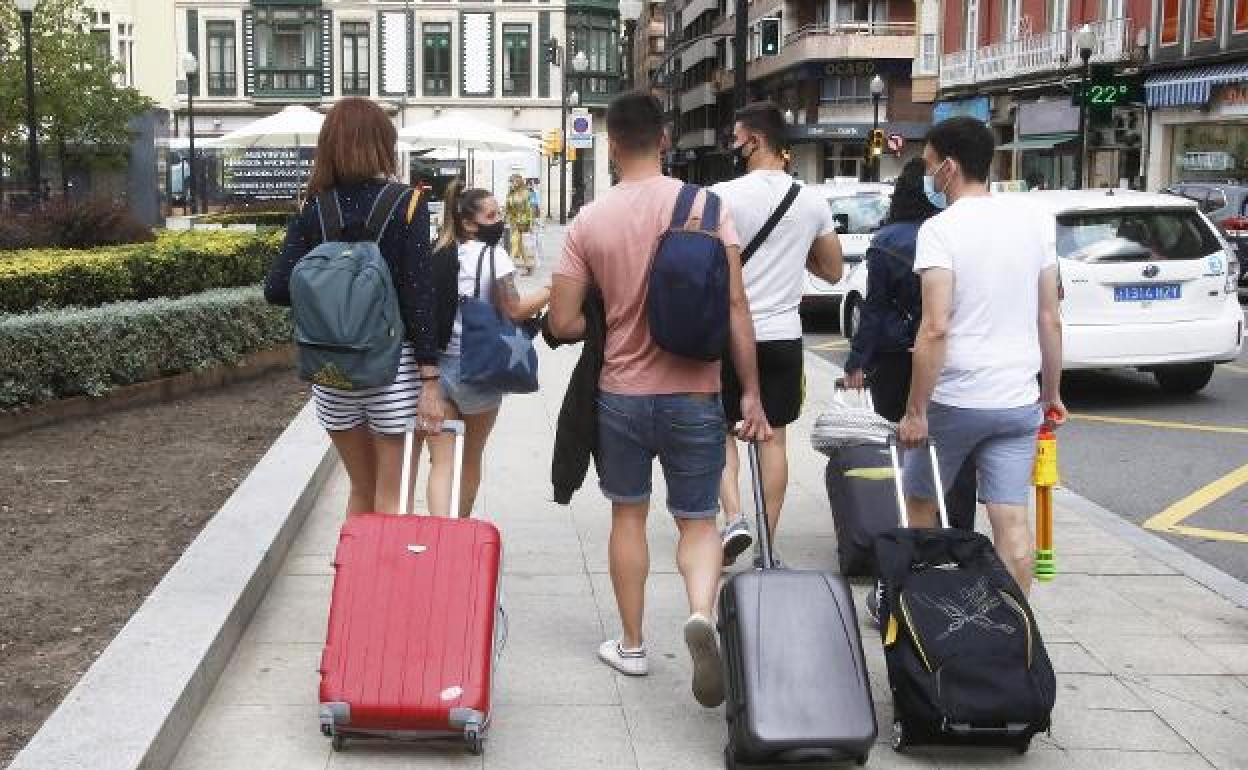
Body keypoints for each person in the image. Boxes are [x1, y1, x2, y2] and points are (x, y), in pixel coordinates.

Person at [547, 90, 772, 709]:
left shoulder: (590, 221)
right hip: (696, 391)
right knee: (698, 520)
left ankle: (632, 643)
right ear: (665, 140)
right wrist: (749, 392)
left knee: (627, 515)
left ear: (611, 144)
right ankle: (701, 612)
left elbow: (563, 322)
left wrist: (605, 311)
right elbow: (734, 306)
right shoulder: (705, 207)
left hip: (620, 393)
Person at [898, 117, 1067, 596]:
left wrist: (915, 411)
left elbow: (934, 328)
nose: (929, 177)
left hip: (955, 398)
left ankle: (929, 613)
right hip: (1017, 399)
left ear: (949, 167)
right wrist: (1050, 396)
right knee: (1011, 520)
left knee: (921, 505)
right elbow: (1050, 318)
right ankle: (1016, 631)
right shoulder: (1034, 222)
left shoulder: (939, 230)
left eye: (931, 166)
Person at [265, 97, 444, 516]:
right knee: (393, 498)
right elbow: (419, 294)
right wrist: (430, 378)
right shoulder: (407, 204)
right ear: (382, 143)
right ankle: (384, 584)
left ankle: (349, 582)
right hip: (391, 371)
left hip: (330, 372)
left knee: (360, 492)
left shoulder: (313, 208)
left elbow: (276, 288)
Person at [842, 157, 978, 625]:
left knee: (908, 452)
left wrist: (857, 362)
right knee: (955, 455)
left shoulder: (886, 241)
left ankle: (907, 549)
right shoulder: (952, 233)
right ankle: (960, 539)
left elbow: (874, 311)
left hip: (896, 360)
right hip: (947, 358)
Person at [710, 101, 844, 566]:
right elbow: (832, 270)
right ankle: (765, 544)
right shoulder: (811, 201)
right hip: (784, 336)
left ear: (756, 140)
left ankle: (734, 519)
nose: (733, 145)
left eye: (737, 137)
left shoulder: (721, 196)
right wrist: (794, 251)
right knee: (774, 439)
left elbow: (707, 264)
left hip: (729, 334)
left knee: (721, 432)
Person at [419, 179, 551, 517]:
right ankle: (459, 533)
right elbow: (515, 309)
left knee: (441, 462)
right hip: (481, 369)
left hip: (439, 370)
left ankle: (440, 538)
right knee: (471, 458)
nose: (499, 222)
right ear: (468, 222)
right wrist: (552, 289)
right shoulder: (496, 257)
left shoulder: (437, 252)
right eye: (492, 216)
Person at [505, 174, 535, 275]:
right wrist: (506, 217)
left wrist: (531, 223)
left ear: (518, 182)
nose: (511, 184)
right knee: (519, 244)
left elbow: (529, 209)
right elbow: (508, 208)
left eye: (512, 181)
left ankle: (507, 267)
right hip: (514, 222)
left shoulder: (525, 193)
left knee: (515, 242)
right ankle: (528, 266)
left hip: (523, 221)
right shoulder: (510, 194)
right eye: (510, 182)